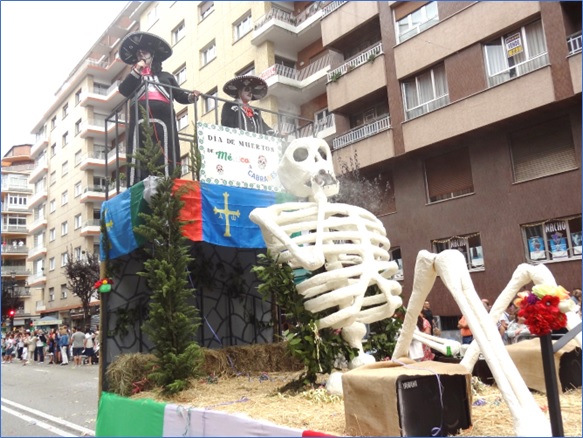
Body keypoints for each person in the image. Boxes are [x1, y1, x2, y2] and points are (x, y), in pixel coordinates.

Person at [118, 31, 201, 186]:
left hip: (165, 121)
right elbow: (124, 90)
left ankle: (169, 183)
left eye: (144, 51)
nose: (141, 54)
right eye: (138, 53)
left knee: (166, 150)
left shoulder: (166, 76)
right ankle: (136, 184)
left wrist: (192, 97)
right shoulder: (134, 77)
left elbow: (180, 95)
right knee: (139, 151)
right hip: (140, 121)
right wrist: (138, 70)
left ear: (152, 54)